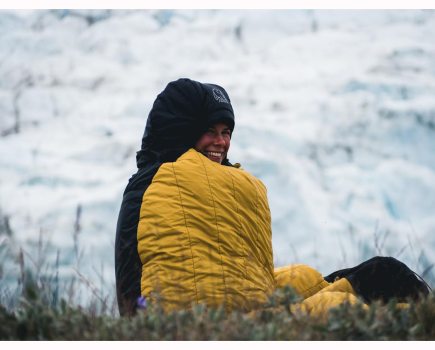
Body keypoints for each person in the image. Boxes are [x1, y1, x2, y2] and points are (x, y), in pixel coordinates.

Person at [115, 78, 431, 317]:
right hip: (224, 326)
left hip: (252, 308)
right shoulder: (152, 184)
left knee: (378, 273)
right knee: (354, 306)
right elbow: (132, 289)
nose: (221, 142)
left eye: (227, 132)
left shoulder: (227, 180)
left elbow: (248, 274)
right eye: (210, 130)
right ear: (180, 131)